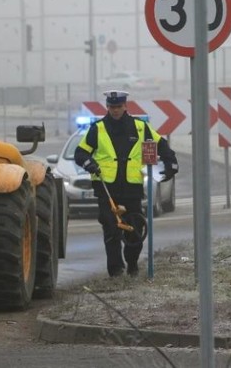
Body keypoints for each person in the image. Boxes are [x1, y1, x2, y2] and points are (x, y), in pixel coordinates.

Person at [74, 90, 178, 277]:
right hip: (106, 187)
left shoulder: (139, 127)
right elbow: (80, 153)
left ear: (125, 106)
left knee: (135, 229)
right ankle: (115, 270)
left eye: (118, 107)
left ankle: (132, 264)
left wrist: (171, 162)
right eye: (111, 107)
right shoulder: (98, 128)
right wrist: (89, 163)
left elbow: (160, 145)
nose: (115, 110)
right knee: (111, 228)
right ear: (107, 107)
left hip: (132, 188)